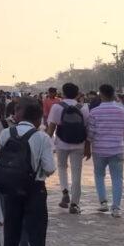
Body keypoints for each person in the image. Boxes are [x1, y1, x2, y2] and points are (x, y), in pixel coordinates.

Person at [0, 98, 55, 246]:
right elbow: (50, 167)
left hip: (10, 188)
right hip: (34, 189)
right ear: (38, 120)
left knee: (11, 230)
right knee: (36, 233)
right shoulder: (42, 137)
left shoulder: (6, 133)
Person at [85, 84, 124, 218]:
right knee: (117, 178)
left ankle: (103, 202)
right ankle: (116, 208)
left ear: (101, 95)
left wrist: (90, 144)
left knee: (99, 176)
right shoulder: (122, 111)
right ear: (113, 94)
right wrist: (118, 138)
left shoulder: (94, 112)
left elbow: (90, 133)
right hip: (117, 149)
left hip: (99, 150)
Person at [45, 82, 88, 214]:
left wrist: (46, 145)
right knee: (77, 173)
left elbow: (51, 128)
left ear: (62, 93)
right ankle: (75, 204)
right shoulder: (83, 107)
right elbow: (87, 127)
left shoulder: (57, 107)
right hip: (79, 144)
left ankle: (64, 191)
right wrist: (88, 146)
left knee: (62, 168)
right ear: (77, 94)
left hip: (61, 143)